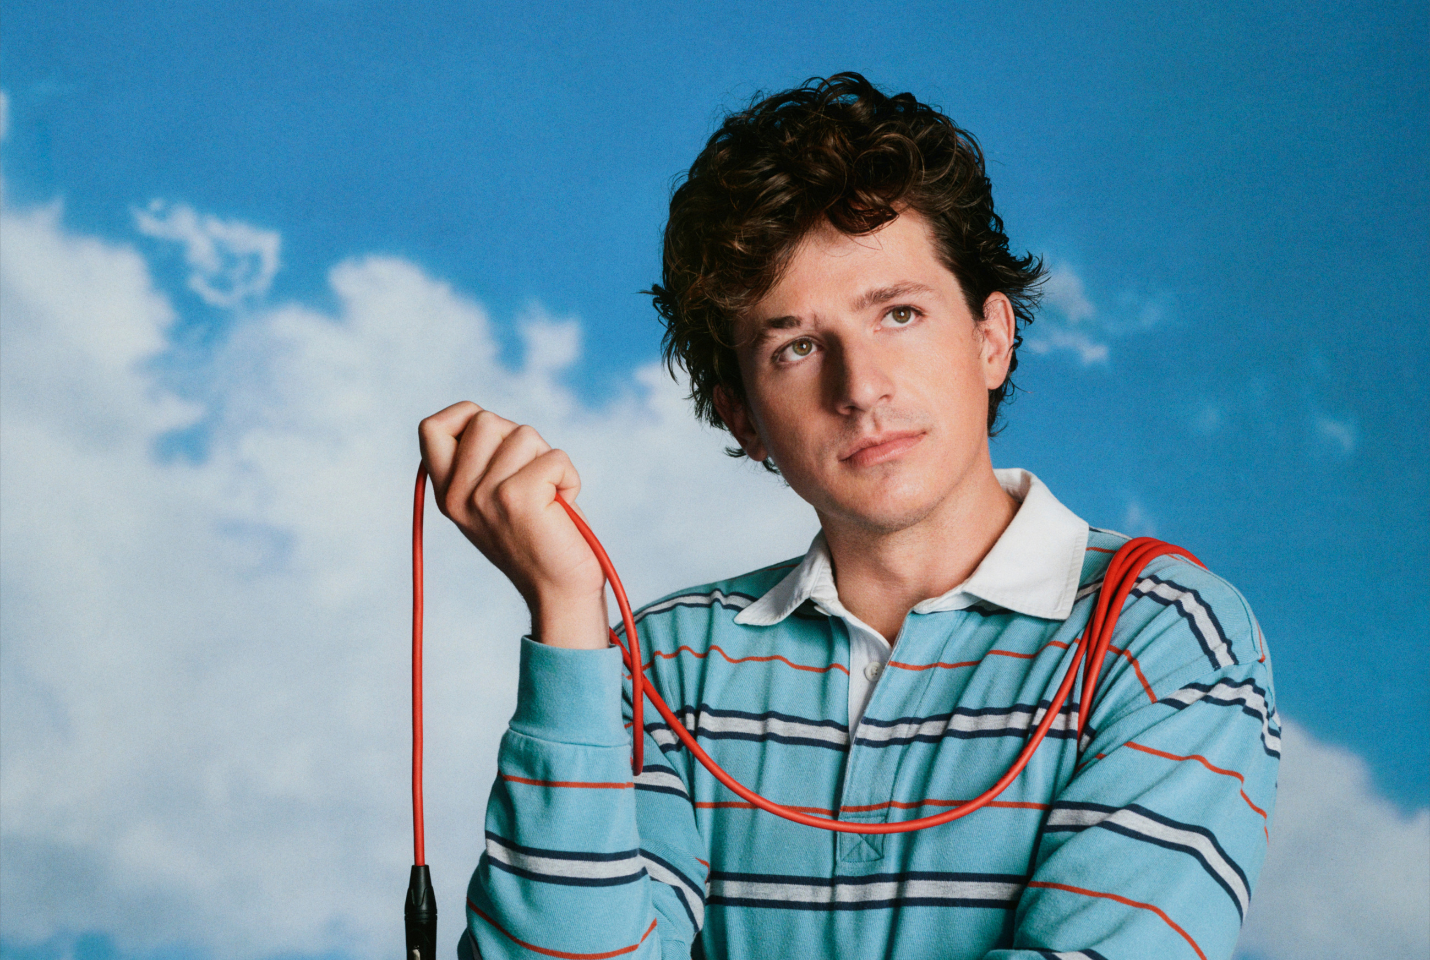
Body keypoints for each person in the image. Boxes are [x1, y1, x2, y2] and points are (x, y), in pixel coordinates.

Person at [420, 73, 1278, 960]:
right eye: (795, 346)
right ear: (743, 416)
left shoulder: (1164, 634)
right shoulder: (662, 666)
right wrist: (568, 624)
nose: (861, 388)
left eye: (899, 314)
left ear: (992, 337)